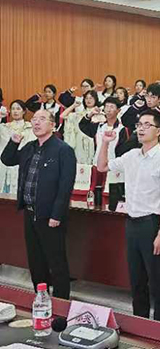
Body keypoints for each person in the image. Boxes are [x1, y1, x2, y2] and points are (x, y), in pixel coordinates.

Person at [97, 109, 160, 322]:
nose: (141, 129)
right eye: (139, 124)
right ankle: (139, 323)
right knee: (136, 279)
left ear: (159, 131)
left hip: (152, 224)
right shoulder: (131, 155)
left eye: (147, 125)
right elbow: (102, 166)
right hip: (132, 223)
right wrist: (105, 143)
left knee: (156, 278)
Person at [1, 110, 76, 299]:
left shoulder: (63, 150)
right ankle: (41, 297)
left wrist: (56, 215)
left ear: (53, 125)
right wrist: (14, 142)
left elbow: (65, 186)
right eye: (34, 119)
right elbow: (7, 160)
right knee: (35, 260)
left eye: (42, 119)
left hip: (50, 215)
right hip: (29, 212)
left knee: (56, 261)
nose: (36, 122)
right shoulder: (30, 147)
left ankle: (61, 302)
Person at [0, 101, 35, 194]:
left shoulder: (30, 128)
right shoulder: (3, 127)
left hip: (22, 163)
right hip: (4, 164)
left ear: (24, 111)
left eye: (18, 109)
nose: (15, 111)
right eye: (13, 109)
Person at [62, 90, 99, 165]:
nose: (88, 100)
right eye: (86, 98)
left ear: (95, 99)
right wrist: (73, 106)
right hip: (79, 142)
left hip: (93, 142)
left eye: (91, 98)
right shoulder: (79, 114)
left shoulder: (99, 113)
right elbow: (62, 116)